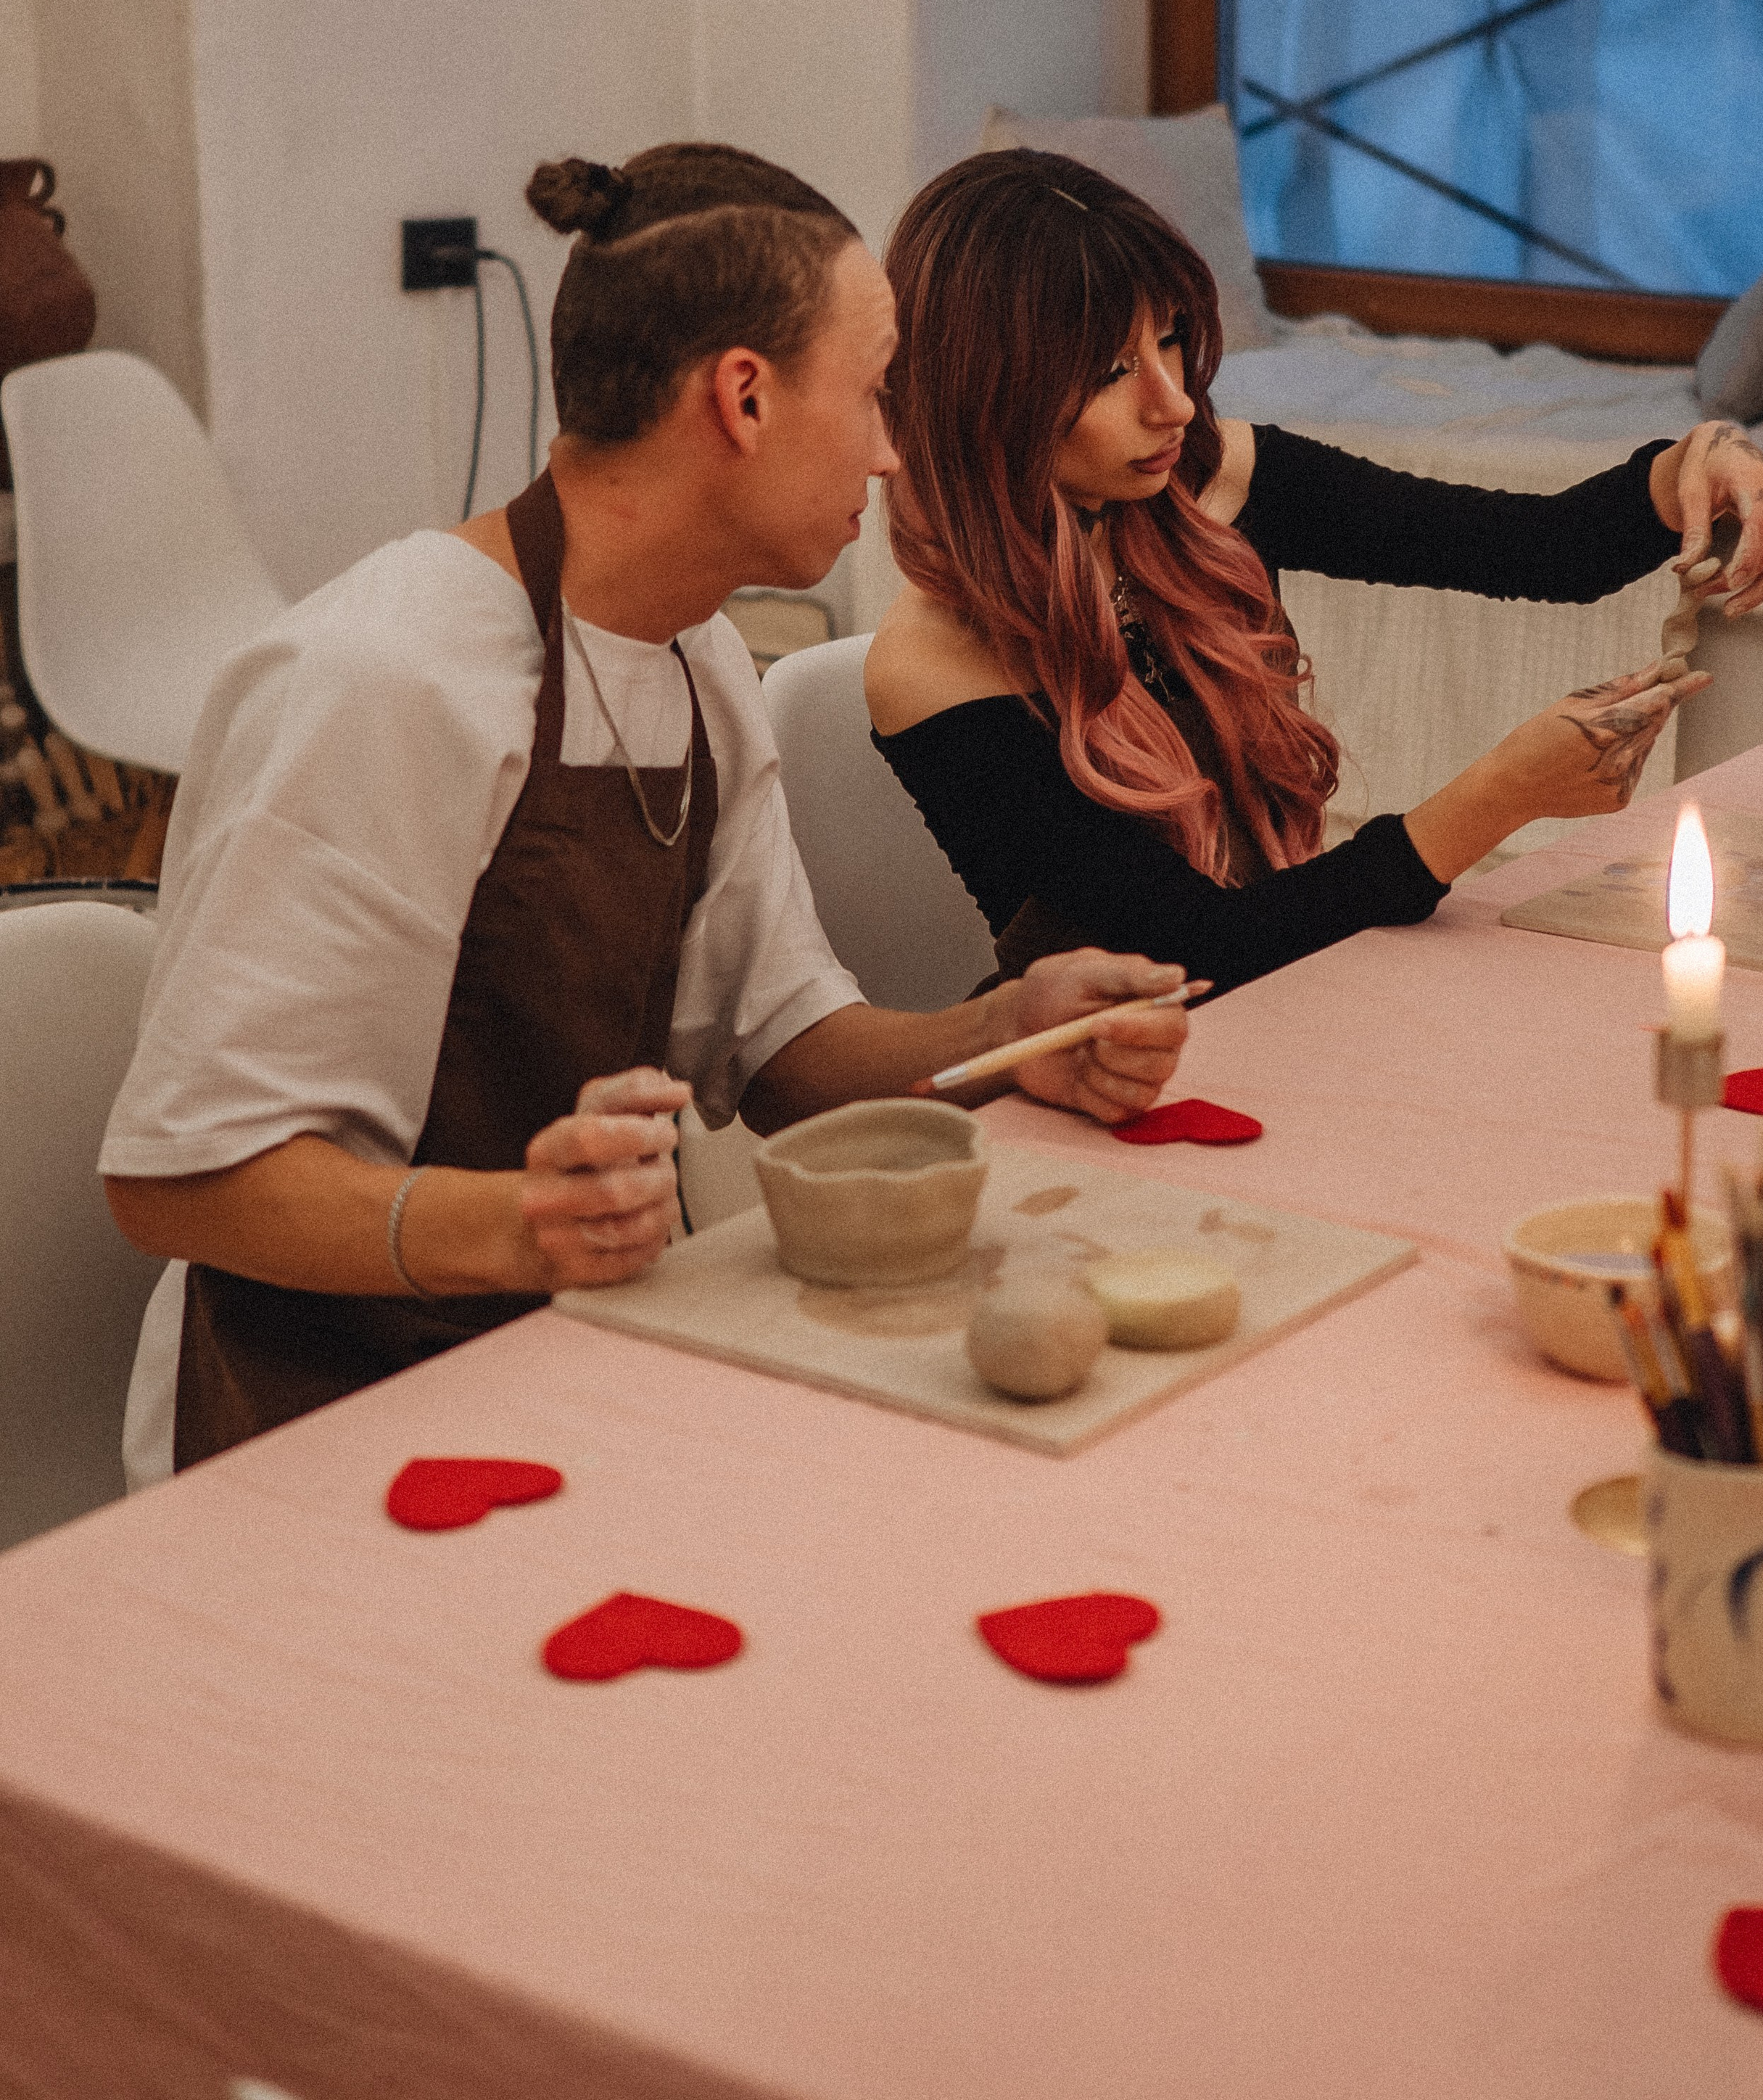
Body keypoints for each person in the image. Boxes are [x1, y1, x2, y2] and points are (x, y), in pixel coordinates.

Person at [102, 141, 1192, 1477]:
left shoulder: (701, 659)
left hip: (565, 1364)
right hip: (314, 1426)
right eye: (872, 397)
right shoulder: (380, 682)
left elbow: (787, 1050)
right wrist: (513, 1225)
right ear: (743, 398)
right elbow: (174, 1181)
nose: (898, 455)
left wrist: (1001, 1037)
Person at [865, 147, 1763, 993]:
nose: (1175, 405)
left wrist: (1702, 461)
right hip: (1100, 1068)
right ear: (988, 396)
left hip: (1290, 993)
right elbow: (1194, 951)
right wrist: (1500, 794)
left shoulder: (1216, 483)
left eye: (1168, 341)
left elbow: (1537, 549)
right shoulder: (936, 661)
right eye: (1111, 372)